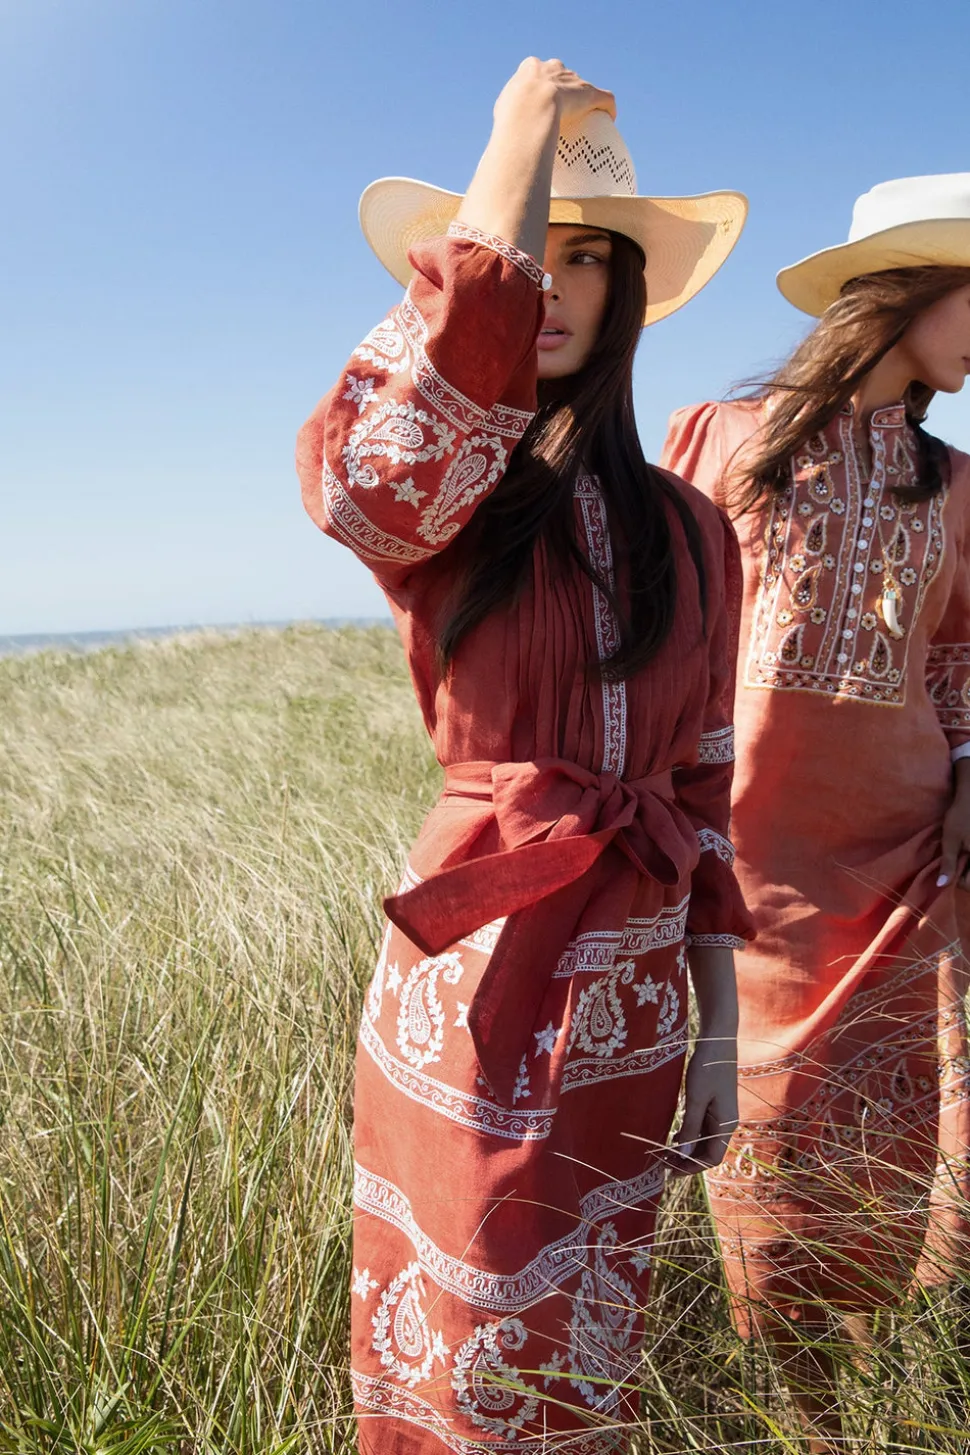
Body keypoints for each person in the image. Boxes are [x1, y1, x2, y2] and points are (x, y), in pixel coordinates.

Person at [297, 57, 751, 1455]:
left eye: (584, 258)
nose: (546, 285)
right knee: (464, 1350)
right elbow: (371, 477)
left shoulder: (695, 529)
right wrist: (515, 136)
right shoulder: (452, 504)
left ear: (627, 291)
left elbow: (703, 792)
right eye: (521, 254)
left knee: (586, 1362)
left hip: (637, 1005)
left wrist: (720, 1029)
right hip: (477, 979)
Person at [662, 173, 970, 1451]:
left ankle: (903, 1409)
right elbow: (660, 629)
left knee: (904, 1161)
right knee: (769, 1165)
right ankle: (812, 1431)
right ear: (900, 292)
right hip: (750, 873)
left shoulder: (956, 482)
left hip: (908, 867)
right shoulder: (720, 439)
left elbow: (957, 657)